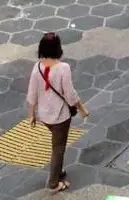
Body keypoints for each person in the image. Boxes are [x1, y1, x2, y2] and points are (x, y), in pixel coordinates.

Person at [27, 32, 88, 194]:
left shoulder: (37, 67)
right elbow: (70, 94)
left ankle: (58, 170)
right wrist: (81, 108)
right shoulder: (63, 68)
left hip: (44, 116)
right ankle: (54, 183)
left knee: (56, 145)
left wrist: (32, 114)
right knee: (58, 148)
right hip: (60, 117)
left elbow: (32, 93)